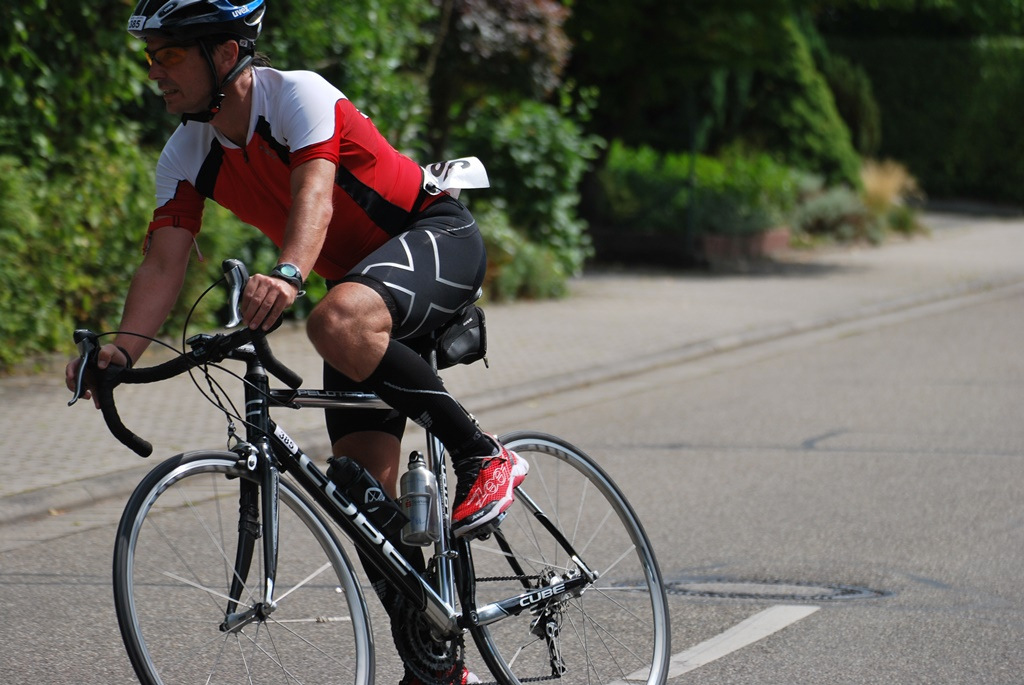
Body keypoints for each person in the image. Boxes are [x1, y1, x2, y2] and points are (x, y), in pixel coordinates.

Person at [66, 0, 528, 682]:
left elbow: (316, 196)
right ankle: (435, 660)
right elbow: (164, 264)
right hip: (359, 290)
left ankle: (483, 454)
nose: (155, 70)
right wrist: (120, 353)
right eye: (151, 56)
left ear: (226, 53)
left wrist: (287, 274)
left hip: (434, 236)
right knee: (360, 495)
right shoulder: (187, 153)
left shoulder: (296, 97)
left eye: (170, 54)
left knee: (334, 321)